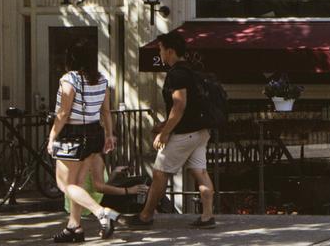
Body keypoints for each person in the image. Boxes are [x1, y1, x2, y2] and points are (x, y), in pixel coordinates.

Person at [129, 31, 215, 229]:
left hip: (184, 133)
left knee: (160, 173)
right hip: (201, 131)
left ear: (170, 51)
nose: (159, 53)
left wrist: (164, 133)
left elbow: (180, 104)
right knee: (200, 172)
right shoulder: (191, 70)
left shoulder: (177, 74)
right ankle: (207, 216)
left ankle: (145, 216)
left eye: (160, 49)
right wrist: (165, 124)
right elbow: (188, 106)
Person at [45, 43, 120, 241]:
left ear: (71, 59)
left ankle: (102, 213)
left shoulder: (69, 79)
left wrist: (52, 136)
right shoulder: (101, 80)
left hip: (72, 134)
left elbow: (63, 113)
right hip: (94, 133)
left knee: (65, 184)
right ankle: (74, 226)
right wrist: (109, 135)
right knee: (78, 183)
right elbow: (106, 111)